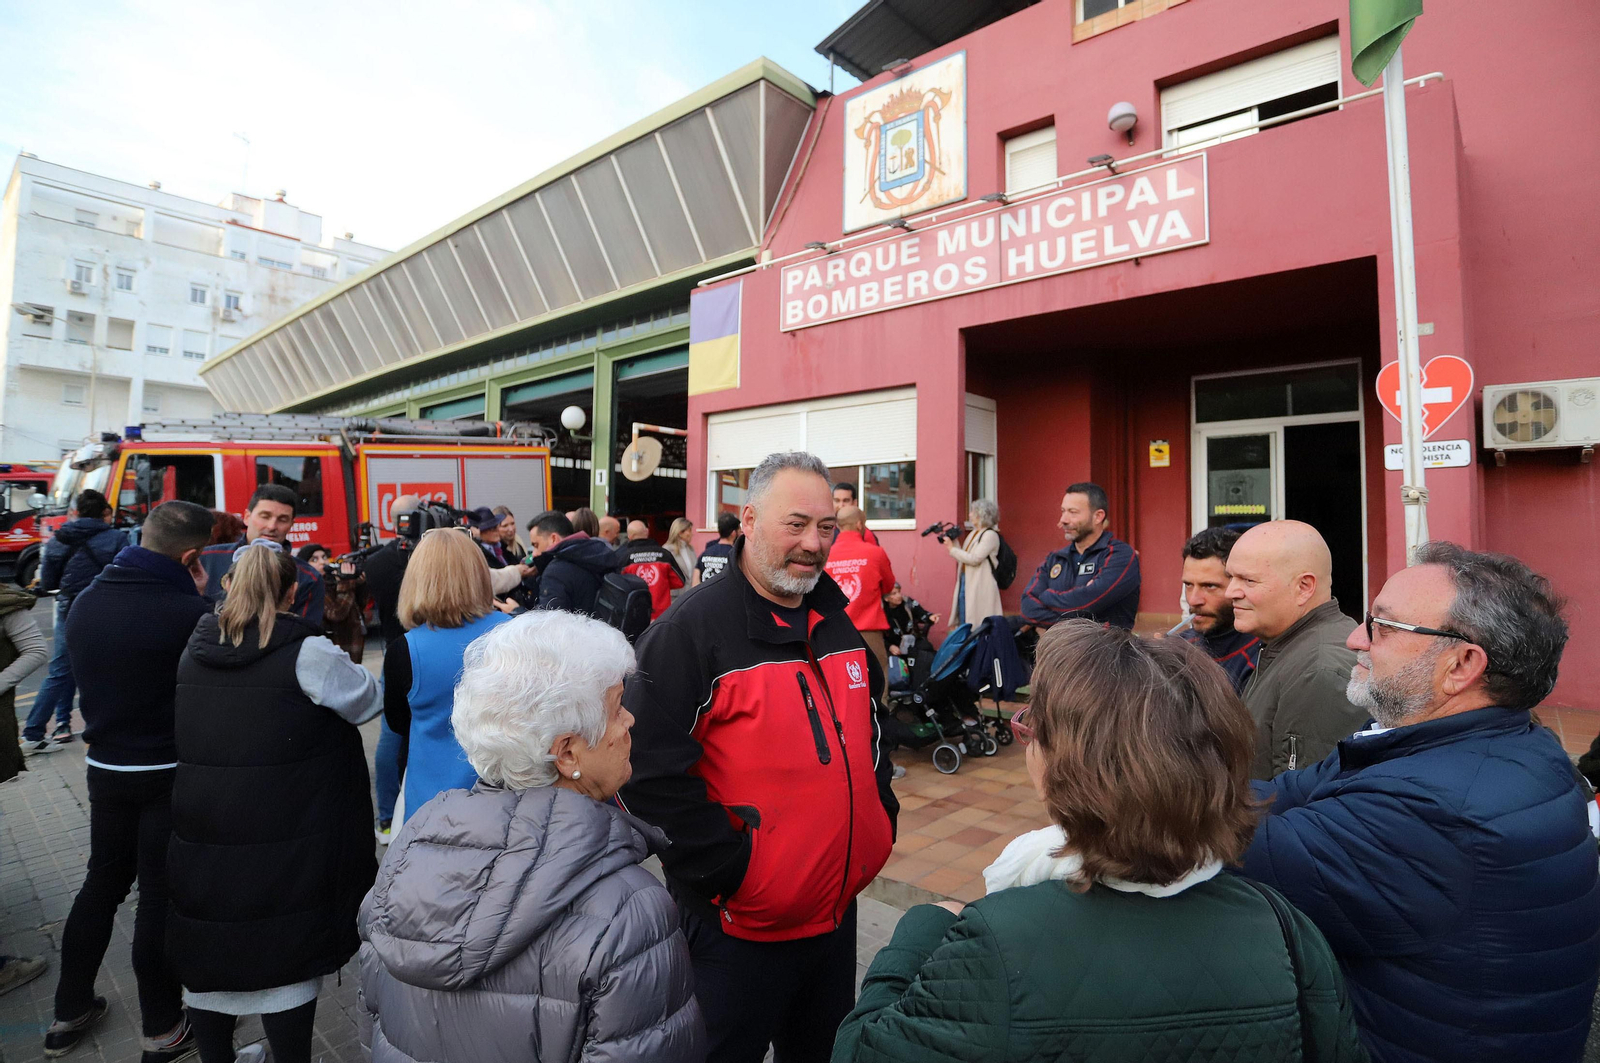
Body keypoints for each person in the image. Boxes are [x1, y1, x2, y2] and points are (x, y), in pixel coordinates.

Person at [834, 620, 1367, 1063]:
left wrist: (924, 924)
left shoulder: (993, 944)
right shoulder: (1286, 929)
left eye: (1032, 726)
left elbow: (861, 1051)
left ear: (1070, 763)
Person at [1241, 543, 1598, 1063]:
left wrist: (1112, 769)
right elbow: (1286, 794)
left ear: (1460, 665)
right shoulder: (1476, 739)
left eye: (1382, 626)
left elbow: (1225, 842)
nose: (1355, 638)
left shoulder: (1434, 808)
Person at [621, 451, 897, 1063]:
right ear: (747, 519)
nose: (814, 543)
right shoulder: (690, 631)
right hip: (737, 931)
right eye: (795, 524)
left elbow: (870, 723)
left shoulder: (831, 615)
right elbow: (642, 771)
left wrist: (880, 812)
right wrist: (732, 873)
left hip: (834, 914)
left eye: (826, 527)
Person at [358, 610, 705, 1062]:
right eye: (618, 705)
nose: (630, 721)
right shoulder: (628, 912)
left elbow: (374, 1032)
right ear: (566, 753)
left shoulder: (407, 860)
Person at [169, 543, 380, 1063]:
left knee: (209, 940)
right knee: (283, 947)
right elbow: (367, 700)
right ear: (291, 592)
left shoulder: (193, 647)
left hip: (204, 824)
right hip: (285, 828)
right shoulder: (307, 653)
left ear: (228, 586)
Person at [44, 500, 216, 1061]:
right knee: (157, 899)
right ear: (190, 556)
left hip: (105, 770)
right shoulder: (186, 613)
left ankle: (69, 1008)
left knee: (101, 883)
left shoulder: (87, 601)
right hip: (167, 772)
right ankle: (164, 1030)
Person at [384, 528, 512, 821]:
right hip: (505, 797)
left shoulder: (404, 649)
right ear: (479, 574)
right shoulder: (515, 632)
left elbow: (397, 723)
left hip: (433, 804)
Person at [1225, 520, 1364, 779]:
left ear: (1303, 587)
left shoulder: (1319, 671)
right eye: (1230, 577)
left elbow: (1305, 799)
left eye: (1248, 580)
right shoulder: (1287, 645)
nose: (1230, 592)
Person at [25, 488, 126, 752]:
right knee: (111, 668)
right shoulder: (117, 538)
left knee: (60, 670)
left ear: (77, 512)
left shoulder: (59, 539)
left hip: (70, 607)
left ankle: (34, 732)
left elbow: (47, 583)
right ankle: (109, 727)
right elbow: (126, 572)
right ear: (105, 512)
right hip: (107, 608)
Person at [361, 493, 419, 843]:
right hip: (427, 649)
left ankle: (385, 818)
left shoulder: (377, 561)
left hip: (394, 650)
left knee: (390, 734)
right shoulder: (427, 557)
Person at [1019, 482, 1141, 630]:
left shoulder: (1119, 555)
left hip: (1105, 652)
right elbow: (1027, 607)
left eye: (1073, 512)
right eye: (1063, 511)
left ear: (1098, 516)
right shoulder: (1055, 558)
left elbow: (1087, 603)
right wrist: (1082, 621)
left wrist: (1046, 596)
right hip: (1059, 651)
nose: (1064, 519)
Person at [198, 484, 325, 626]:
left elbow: (304, 632)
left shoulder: (308, 578)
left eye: (282, 519)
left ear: (291, 524)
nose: (272, 526)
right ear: (247, 517)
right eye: (265, 516)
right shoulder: (206, 559)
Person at [1178, 527, 1261, 694]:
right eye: (1188, 585)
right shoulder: (1179, 648)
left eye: (1209, 586)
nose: (1193, 600)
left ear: (1240, 584)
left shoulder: (1259, 658)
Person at [824, 505, 896, 693]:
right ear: (859, 524)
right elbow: (888, 587)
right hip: (869, 628)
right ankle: (879, 720)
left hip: (835, 630)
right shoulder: (875, 553)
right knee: (878, 679)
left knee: (840, 683)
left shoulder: (826, 554)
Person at [526, 510, 620, 615]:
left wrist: (517, 612)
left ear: (553, 539)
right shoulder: (599, 556)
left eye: (536, 545)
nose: (534, 554)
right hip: (604, 629)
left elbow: (550, 624)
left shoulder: (555, 571)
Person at [943, 499, 1004, 626]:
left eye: (972, 512)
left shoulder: (990, 535)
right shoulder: (974, 534)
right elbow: (965, 556)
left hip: (980, 583)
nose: (970, 515)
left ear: (981, 514)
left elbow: (975, 559)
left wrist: (951, 549)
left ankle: (974, 644)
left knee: (975, 619)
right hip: (967, 580)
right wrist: (953, 543)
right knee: (964, 615)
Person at [617, 520, 685, 620]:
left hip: (634, 613)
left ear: (629, 536)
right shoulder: (664, 555)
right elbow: (679, 582)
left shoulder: (624, 557)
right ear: (647, 532)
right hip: (662, 615)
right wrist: (661, 584)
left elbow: (618, 586)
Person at [883, 583, 937, 655]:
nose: (899, 596)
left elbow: (921, 613)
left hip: (912, 640)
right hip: (894, 646)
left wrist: (930, 617)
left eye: (899, 592)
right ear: (886, 598)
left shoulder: (907, 603)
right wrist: (890, 646)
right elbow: (877, 636)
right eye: (894, 594)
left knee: (927, 650)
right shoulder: (881, 611)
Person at [695, 511, 739, 585]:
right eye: (739, 530)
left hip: (705, 595)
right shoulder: (735, 556)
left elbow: (695, 583)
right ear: (733, 533)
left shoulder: (704, 554)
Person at [666, 517, 697, 599]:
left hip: (690, 596)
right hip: (674, 598)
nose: (692, 534)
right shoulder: (667, 550)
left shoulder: (691, 549)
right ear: (680, 532)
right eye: (689, 531)